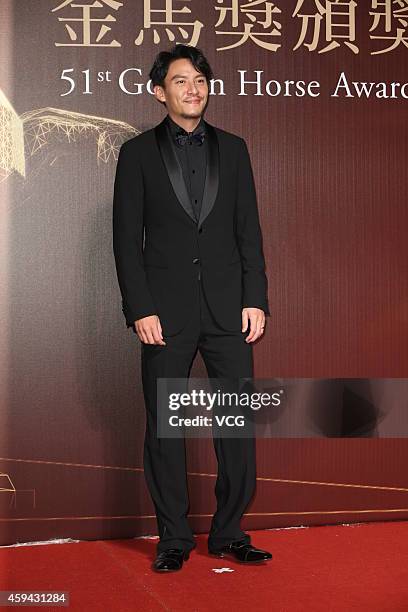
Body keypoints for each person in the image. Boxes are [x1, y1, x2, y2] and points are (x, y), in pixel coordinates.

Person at [113, 43, 272, 572]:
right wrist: (141, 308)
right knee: (165, 428)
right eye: (181, 80)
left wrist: (256, 297)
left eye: (201, 78)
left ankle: (229, 533)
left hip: (229, 312)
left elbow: (249, 231)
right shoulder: (136, 153)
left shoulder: (235, 148)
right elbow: (125, 241)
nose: (194, 87)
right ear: (160, 92)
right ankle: (174, 539)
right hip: (165, 313)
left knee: (237, 426)